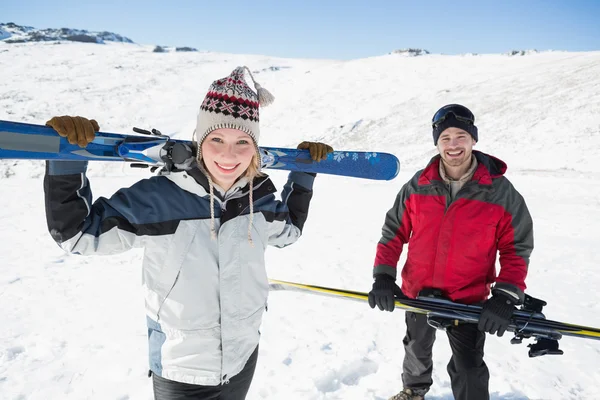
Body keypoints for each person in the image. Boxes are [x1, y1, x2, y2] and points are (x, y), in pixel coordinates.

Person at [43, 66, 333, 400]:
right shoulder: (159, 198)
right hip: (182, 371)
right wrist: (65, 159)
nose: (229, 154)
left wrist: (304, 174)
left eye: (242, 141)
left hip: (243, 358)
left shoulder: (261, 197)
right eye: (217, 140)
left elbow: (291, 230)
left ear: (255, 148)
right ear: (199, 142)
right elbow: (78, 235)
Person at [367, 104, 534, 400]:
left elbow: (516, 245)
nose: (453, 145)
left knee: (469, 368)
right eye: (445, 138)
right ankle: (413, 392)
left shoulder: (499, 191)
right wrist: (383, 276)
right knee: (416, 350)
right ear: (436, 142)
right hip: (418, 291)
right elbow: (393, 231)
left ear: (473, 139)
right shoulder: (419, 184)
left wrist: (506, 294)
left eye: (460, 136)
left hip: (466, 299)